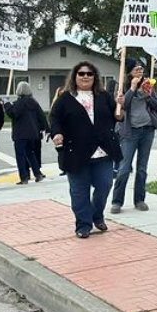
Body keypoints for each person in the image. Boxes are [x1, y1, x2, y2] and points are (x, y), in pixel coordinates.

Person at [50, 62, 122, 239]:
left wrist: (120, 106)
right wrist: (57, 133)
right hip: (76, 152)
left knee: (105, 185)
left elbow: (117, 116)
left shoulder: (104, 96)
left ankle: (97, 215)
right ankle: (83, 224)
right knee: (79, 191)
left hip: (102, 151)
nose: (85, 77)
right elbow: (54, 118)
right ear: (74, 76)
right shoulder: (65, 98)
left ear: (94, 77)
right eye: (81, 73)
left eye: (89, 74)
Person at [111, 58, 157, 214]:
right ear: (129, 72)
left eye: (141, 69)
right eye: (136, 69)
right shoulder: (121, 86)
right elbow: (122, 106)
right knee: (124, 168)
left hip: (147, 130)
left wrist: (147, 95)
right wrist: (132, 89)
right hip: (129, 131)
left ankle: (139, 200)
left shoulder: (148, 85)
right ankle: (117, 201)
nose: (140, 71)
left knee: (142, 168)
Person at [4, 81, 49, 184]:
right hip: (32, 133)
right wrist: (45, 128)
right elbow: (41, 116)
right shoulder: (34, 102)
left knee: (20, 156)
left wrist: (6, 104)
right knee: (30, 153)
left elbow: (13, 114)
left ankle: (24, 177)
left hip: (20, 133)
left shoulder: (19, 103)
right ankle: (37, 174)